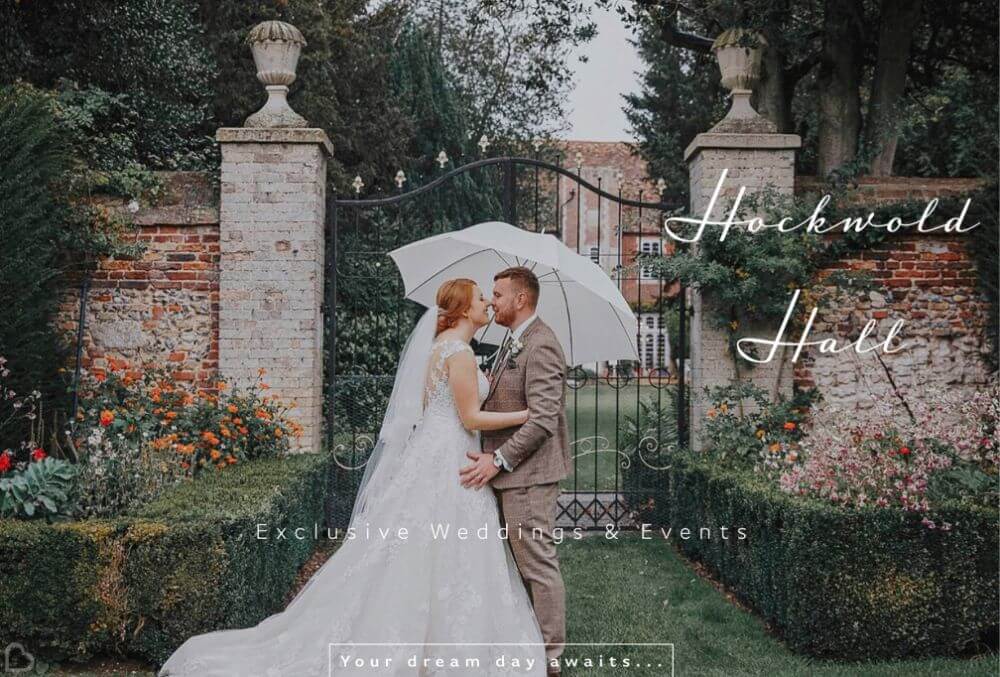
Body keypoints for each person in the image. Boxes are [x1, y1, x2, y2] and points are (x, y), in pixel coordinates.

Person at [157, 278, 547, 676]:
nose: (487, 304)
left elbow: (435, 411)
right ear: (465, 309)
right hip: (451, 460)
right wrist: (526, 415)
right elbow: (470, 418)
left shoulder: (439, 349)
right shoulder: (460, 354)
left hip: (432, 454)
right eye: (482, 298)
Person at [459, 266, 572, 676]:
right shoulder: (512, 341)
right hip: (514, 475)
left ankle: (550, 657)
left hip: (528, 476)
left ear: (521, 299)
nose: (493, 303)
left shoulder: (541, 344)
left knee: (538, 565)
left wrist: (498, 460)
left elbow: (542, 420)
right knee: (523, 564)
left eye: (499, 295)